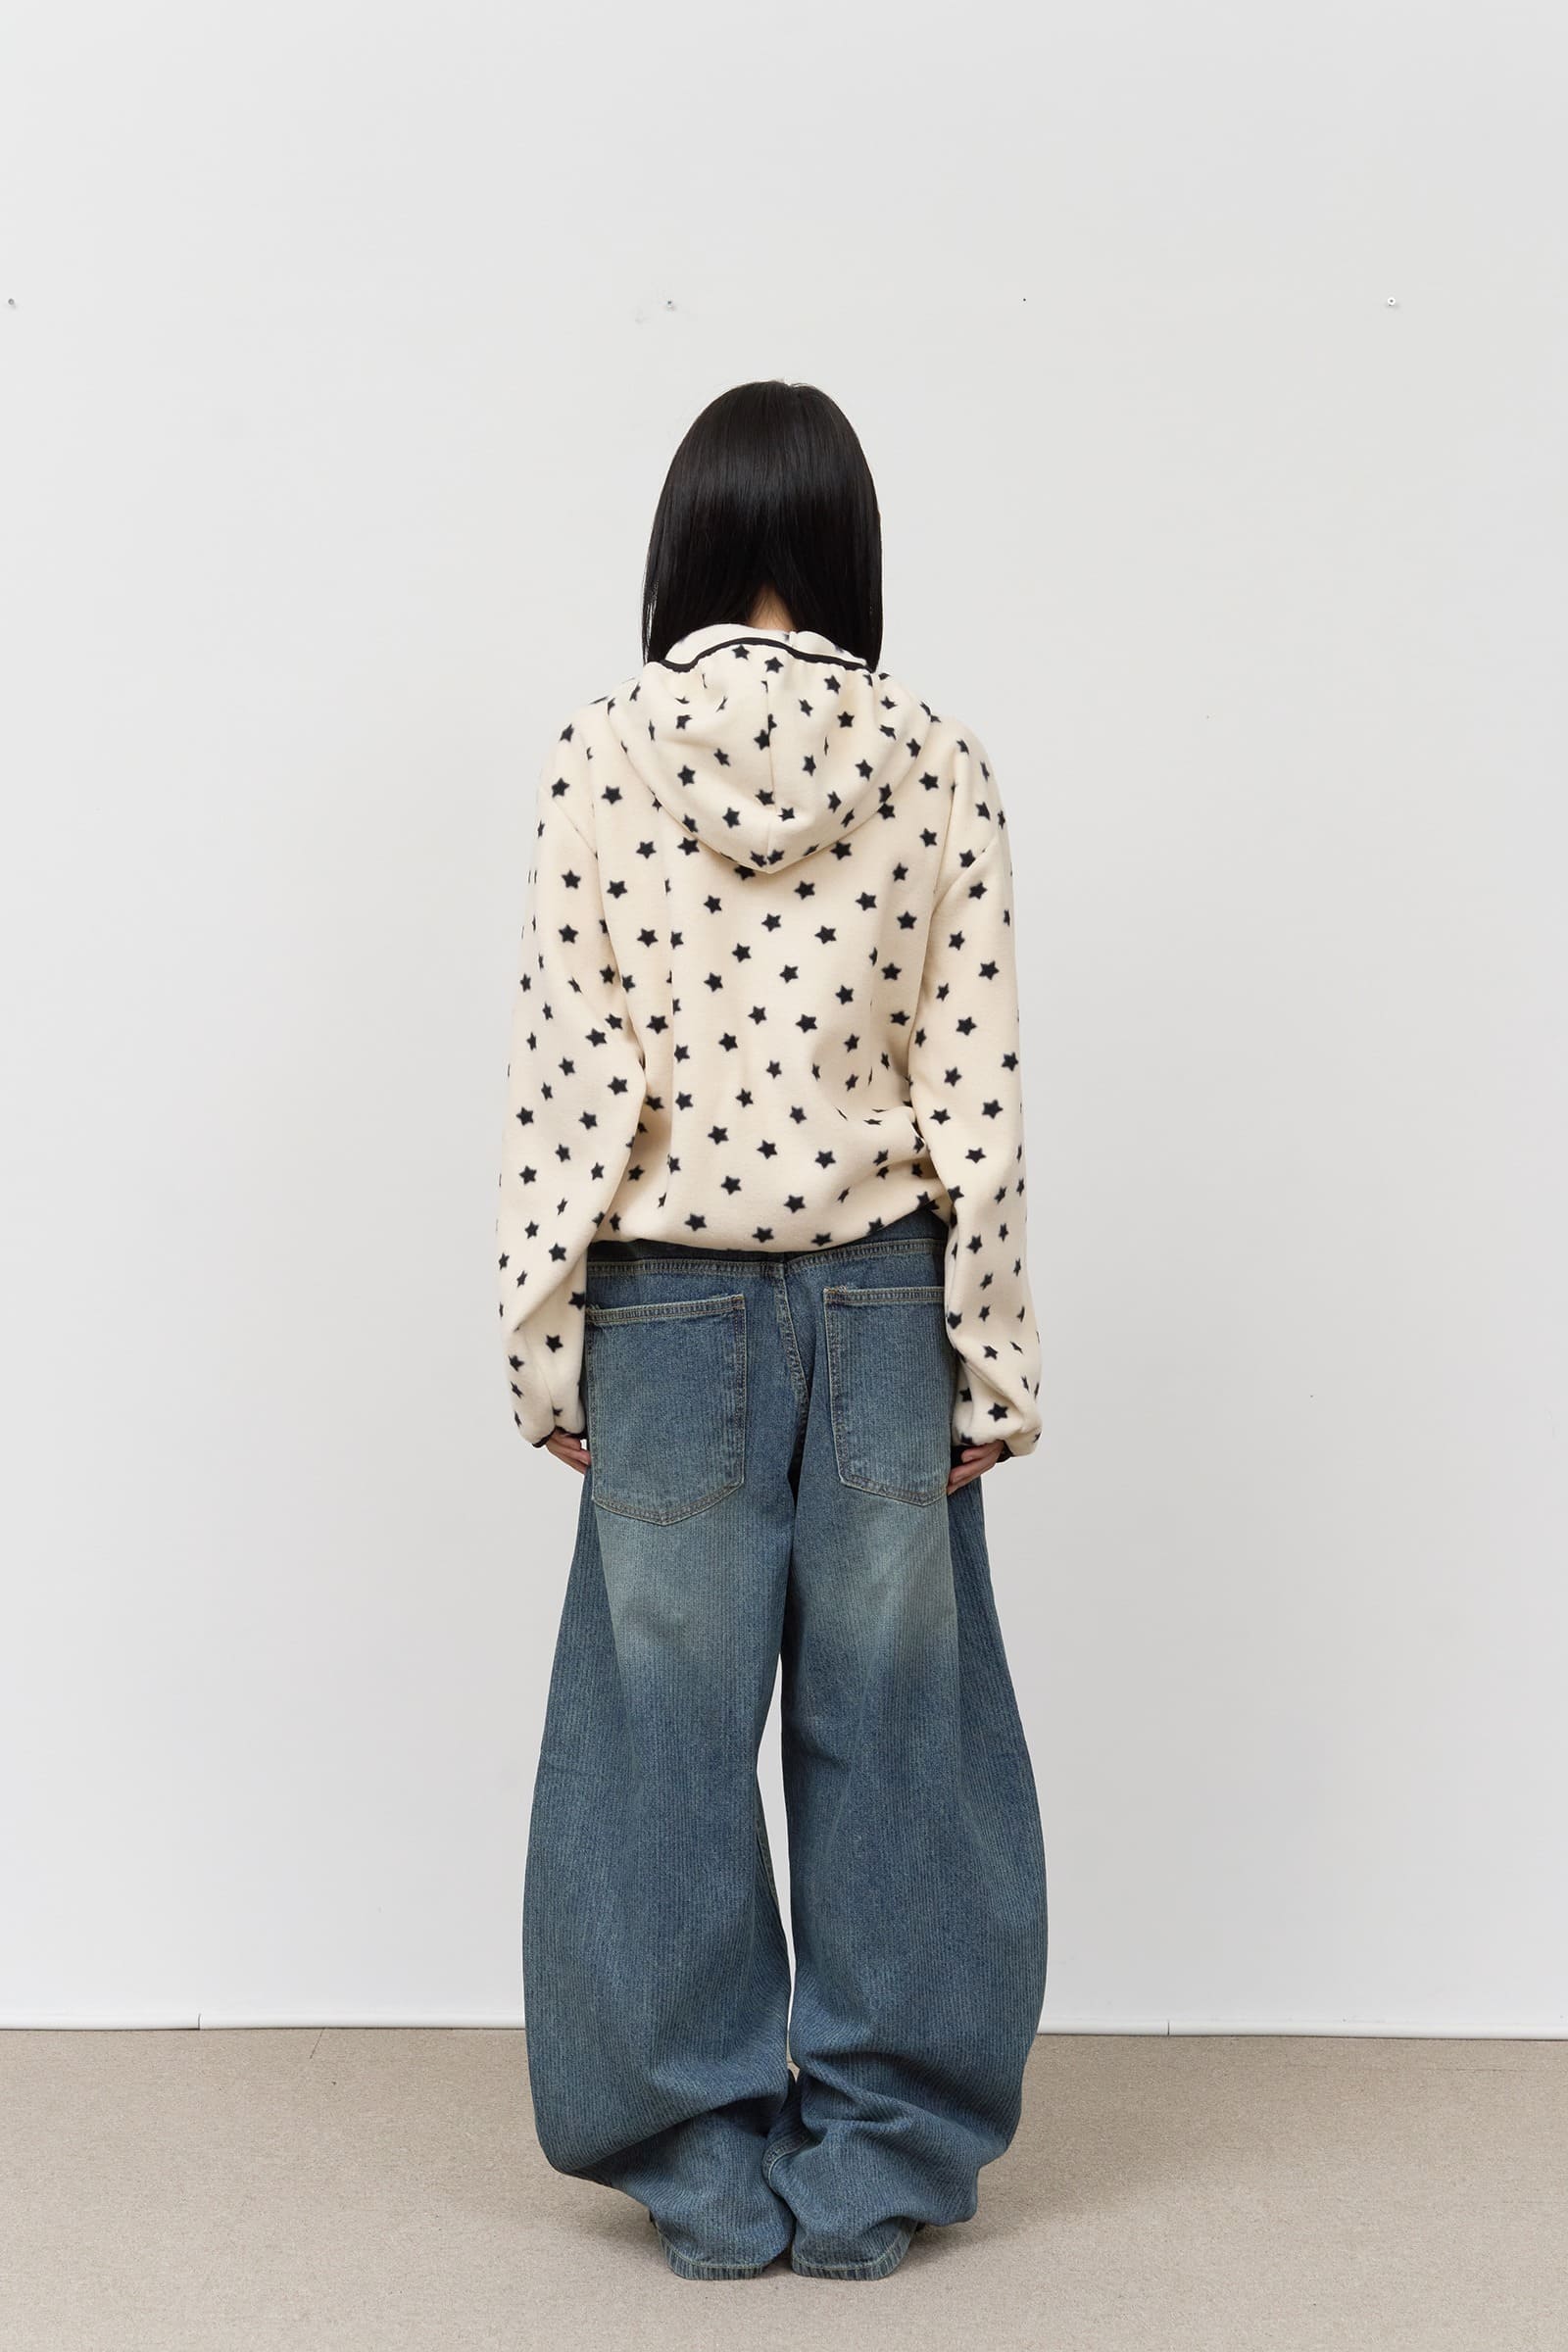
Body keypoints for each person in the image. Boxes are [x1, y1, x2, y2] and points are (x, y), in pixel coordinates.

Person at [495, 380, 1049, 2283]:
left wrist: (544, 1337)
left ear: (685, 540)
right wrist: (990, 1355)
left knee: (655, 1738)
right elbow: (972, 1089)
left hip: (663, 1303)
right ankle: (880, 2159)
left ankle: (698, 2164)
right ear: (845, 547)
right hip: (885, 1293)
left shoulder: (600, 751)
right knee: (901, 1732)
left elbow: (569, 1074)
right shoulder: (937, 757)